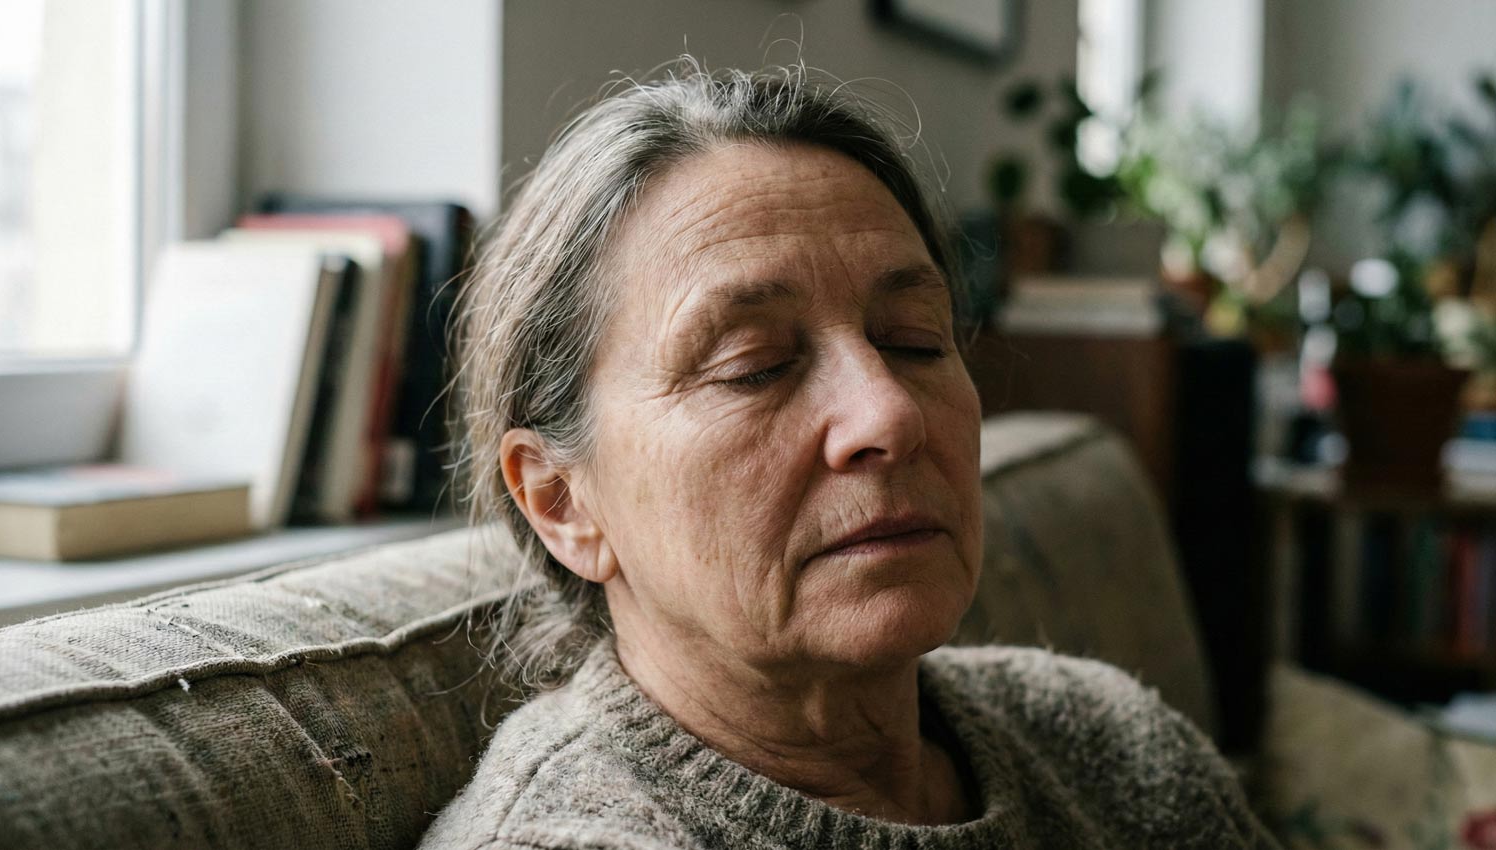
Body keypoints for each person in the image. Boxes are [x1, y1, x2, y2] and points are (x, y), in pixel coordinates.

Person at [423, 59, 1279, 850]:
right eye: (754, 366)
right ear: (561, 502)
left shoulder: (1113, 745)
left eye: (913, 341)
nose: (890, 413)